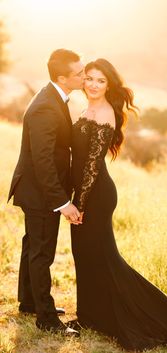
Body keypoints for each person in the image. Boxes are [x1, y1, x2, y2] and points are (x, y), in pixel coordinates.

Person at [68, 58, 167, 350]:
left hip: (96, 195)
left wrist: (80, 203)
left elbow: (90, 166)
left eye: (100, 81)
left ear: (108, 85)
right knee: (84, 254)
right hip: (86, 194)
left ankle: (144, 317)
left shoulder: (104, 114)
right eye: (89, 78)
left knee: (105, 259)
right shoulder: (86, 108)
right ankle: (89, 316)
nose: (93, 85)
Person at [8, 49, 84, 336]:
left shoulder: (53, 96)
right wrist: (62, 202)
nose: (84, 75)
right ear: (62, 78)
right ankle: (47, 318)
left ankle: (29, 302)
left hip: (38, 189)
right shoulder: (45, 106)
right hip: (40, 192)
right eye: (79, 73)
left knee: (32, 246)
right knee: (42, 253)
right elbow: (42, 160)